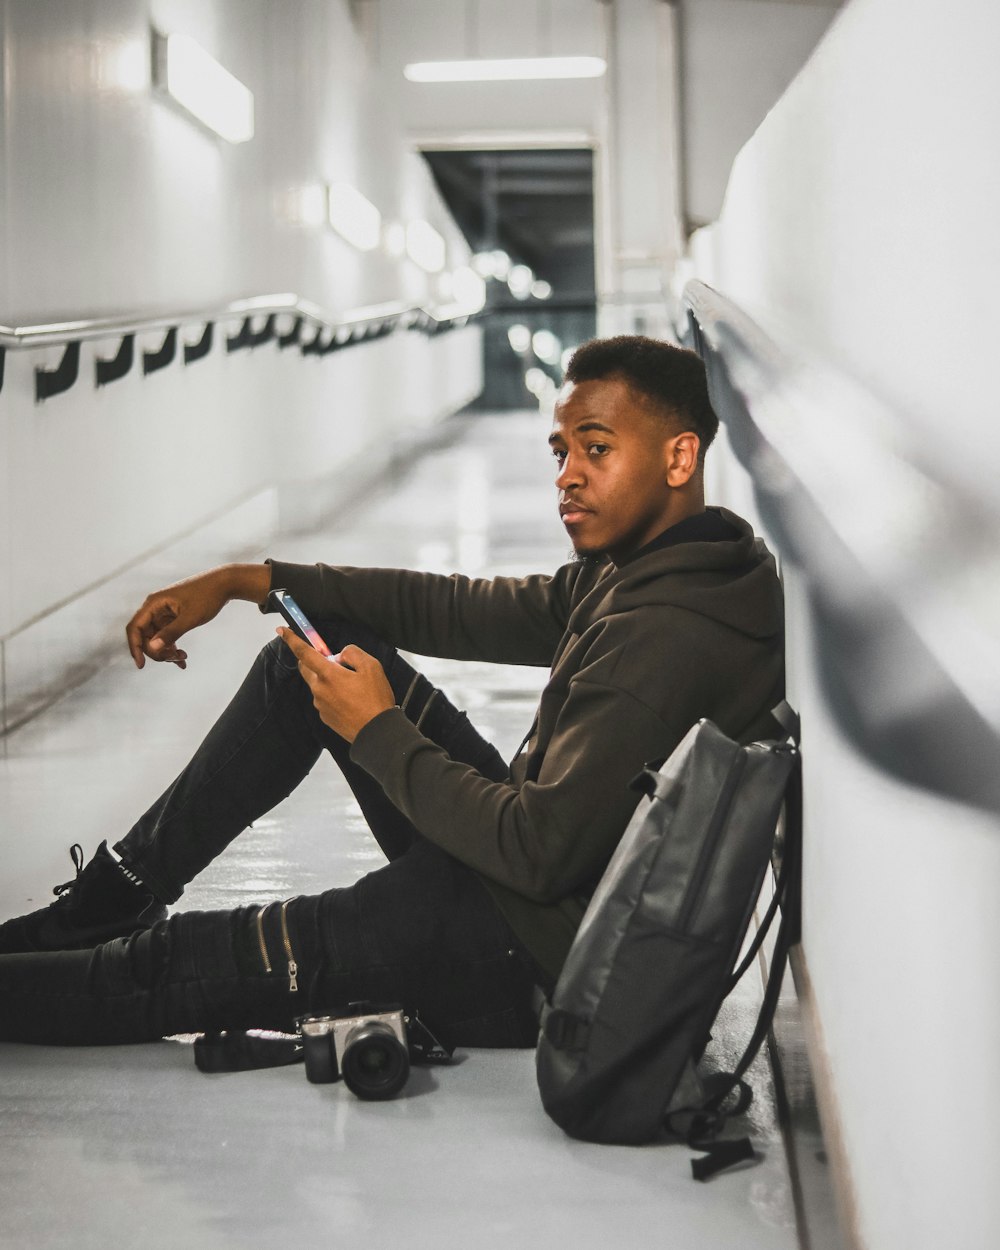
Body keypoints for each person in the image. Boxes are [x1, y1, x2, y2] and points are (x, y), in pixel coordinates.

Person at [0, 335, 784, 1049]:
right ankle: (116, 895)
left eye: (597, 448)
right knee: (314, 657)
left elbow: (536, 855)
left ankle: (96, 944)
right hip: (512, 889)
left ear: (680, 459)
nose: (568, 475)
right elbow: (454, 607)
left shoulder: (666, 636)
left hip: (519, 956)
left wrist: (378, 730)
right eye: (561, 450)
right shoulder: (663, 567)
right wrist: (253, 581)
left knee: (170, 966)